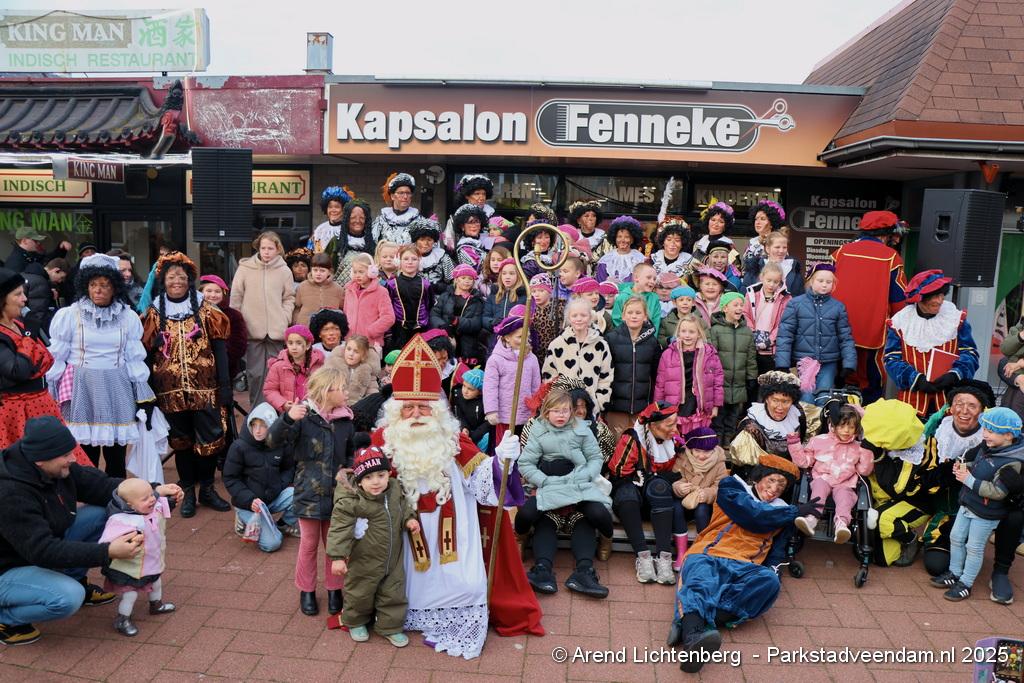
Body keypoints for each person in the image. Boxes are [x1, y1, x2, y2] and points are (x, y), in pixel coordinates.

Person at [368, 335, 543, 657]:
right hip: (403, 535)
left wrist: (502, 460)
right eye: (408, 408)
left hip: (453, 537)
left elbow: (484, 480)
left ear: (437, 410)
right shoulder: (384, 440)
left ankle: (457, 613)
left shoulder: (452, 440)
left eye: (424, 406)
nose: (417, 414)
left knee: (465, 585)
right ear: (395, 412)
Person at [0, 416, 183, 646]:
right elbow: (42, 550)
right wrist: (107, 552)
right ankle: (6, 619)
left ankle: (73, 578)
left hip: (37, 547)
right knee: (68, 597)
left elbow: (103, 487)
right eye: (65, 455)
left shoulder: (50, 464)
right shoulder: (10, 493)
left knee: (104, 513)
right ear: (40, 460)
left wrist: (153, 492)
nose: (73, 458)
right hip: (8, 567)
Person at [668, 453, 814, 674]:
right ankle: (693, 640)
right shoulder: (731, 487)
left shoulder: (783, 512)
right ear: (758, 477)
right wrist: (793, 512)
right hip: (710, 554)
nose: (775, 488)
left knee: (769, 582)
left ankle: (690, 621)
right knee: (701, 582)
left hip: (746, 565)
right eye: (771, 480)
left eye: (781, 485)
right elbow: (753, 516)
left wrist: (770, 576)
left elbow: (776, 554)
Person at [46, 254, 156, 478]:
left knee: (116, 454)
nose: (98, 290)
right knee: (85, 454)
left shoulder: (127, 317)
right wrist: (51, 392)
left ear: (114, 287)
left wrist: (143, 397)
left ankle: (116, 495)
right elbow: (57, 357)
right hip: (82, 387)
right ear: (85, 286)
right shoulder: (69, 315)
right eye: (93, 284)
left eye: (104, 285)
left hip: (117, 387)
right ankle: (87, 494)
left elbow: (134, 359)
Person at [142, 252, 232, 517]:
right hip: (169, 391)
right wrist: (149, 391)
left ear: (189, 280)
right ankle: (189, 491)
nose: (177, 282)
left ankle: (207, 488)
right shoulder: (154, 313)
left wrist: (225, 386)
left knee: (209, 441)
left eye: (181, 277)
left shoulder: (207, 309)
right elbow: (146, 355)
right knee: (181, 442)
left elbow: (220, 349)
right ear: (163, 281)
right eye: (171, 277)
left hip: (205, 389)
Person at [270, 365, 354, 617]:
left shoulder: (346, 420)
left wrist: (350, 473)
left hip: (337, 494)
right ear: (327, 391)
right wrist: (287, 418)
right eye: (342, 388)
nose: (346, 393)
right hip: (308, 491)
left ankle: (334, 589)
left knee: (335, 544)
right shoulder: (303, 417)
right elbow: (272, 441)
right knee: (308, 543)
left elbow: (350, 453)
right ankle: (306, 590)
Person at [516, 387, 612, 598]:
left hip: (578, 484)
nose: (561, 415)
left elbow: (595, 458)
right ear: (546, 411)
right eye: (556, 411)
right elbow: (526, 463)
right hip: (550, 484)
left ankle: (584, 572)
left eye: (565, 410)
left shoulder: (581, 429)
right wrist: (544, 480)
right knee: (531, 515)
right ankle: (542, 570)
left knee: (594, 515)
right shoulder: (539, 430)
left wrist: (583, 476)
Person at [328, 445, 419, 646]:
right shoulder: (352, 501)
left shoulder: (394, 490)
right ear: (360, 481)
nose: (376, 482)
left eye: (381, 475)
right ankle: (356, 621)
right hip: (364, 560)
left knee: (393, 593)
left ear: (389, 474)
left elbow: (403, 506)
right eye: (368, 478)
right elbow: (340, 528)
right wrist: (337, 557)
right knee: (359, 592)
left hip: (392, 559)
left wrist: (409, 519)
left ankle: (390, 626)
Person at [931, 407, 1024, 601]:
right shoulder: (990, 447)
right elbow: (980, 466)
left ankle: (966, 583)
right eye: (985, 430)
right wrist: (966, 466)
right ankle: (954, 573)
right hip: (968, 504)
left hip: (985, 513)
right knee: (956, 538)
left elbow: (998, 492)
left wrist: (968, 479)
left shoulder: (1011, 461)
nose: (984, 435)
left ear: (1008, 435)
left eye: (990, 431)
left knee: (974, 547)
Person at [0, 268, 89, 465]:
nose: (24, 299)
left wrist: (29, 334)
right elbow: (17, 371)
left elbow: (44, 359)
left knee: (65, 462)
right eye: (18, 294)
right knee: (27, 466)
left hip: (41, 404)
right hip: (17, 411)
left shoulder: (18, 324)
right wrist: (29, 336)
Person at [832, 210, 908, 403]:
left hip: (837, 328)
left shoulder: (841, 252)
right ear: (886, 234)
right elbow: (899, 300)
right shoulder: (891, 257)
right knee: (871, 384)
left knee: (837, 380)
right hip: (873, 331)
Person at [884, 269, 980, 418]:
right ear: (919, 298)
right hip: (911, 403)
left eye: (942, 295)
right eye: (935, 296)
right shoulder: (901, 322)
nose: (940, 301)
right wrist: (917, 380)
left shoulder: (955, 318)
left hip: (950, 402)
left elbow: (970, 353)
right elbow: (891, 359)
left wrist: (955, 375)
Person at [605, 402, 682, 585]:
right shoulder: (633, 438)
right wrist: (649, 475)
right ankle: (643, 556)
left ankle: (664, 558)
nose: (675, 429)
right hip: (630, 494)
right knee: (627, 495)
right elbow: (619, 473)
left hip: (654, 497)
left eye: (675, 423)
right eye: (670, 425)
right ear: (653, 425)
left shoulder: (671, 439)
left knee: (659, 487)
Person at [98, 478, 176, 637]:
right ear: (130, 505)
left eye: (151, 494)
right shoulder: (122, 521)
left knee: (156, 583)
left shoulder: (153, 508)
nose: (152, 499)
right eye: (145, 498)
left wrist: (172, 499)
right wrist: (125, 543)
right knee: (130, 594)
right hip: (130, 567)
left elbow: (163, 507)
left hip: (151, 561)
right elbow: (106, 542)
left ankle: (156, 605)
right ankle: (122, 619)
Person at [789, 402, 874, 543]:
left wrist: (867, 450)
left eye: (851, 427)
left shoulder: (858, 447)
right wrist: (794, 444)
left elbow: (864, 471)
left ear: (856, 428)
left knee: (845, 497)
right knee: (819, 487)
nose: (846, 431)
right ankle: (812, 519)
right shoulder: (818, 441)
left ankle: (841, 525)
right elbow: (804, 462)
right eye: (842, 426)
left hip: (845, 483)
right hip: (822, 478)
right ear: (833, 425)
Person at [775, 263, 857, 404]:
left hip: (828, 362)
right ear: (811, 281)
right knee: (806, 399)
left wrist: (849, 363)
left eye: (828, 282)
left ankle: (822, 419)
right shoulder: (795, 304)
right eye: (820, 281)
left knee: (823, 398)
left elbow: (845, 337)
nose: (824, 285)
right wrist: (783, 363)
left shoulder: (838, 307)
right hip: (803, 362)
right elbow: (785, 334)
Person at [231, 231, 296, 407]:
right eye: (263, 248)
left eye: (270, 248)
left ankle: (275, 412)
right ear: (258, 248)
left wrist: (284, 317)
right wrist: (239, 322)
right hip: (253, 331)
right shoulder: (245, 268)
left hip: (276, 331)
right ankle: (257, 412)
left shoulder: (284, 271)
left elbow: (289, 297)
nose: (266, 252)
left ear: (278, 249)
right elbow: (236, 297)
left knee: (276, 374)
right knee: (256, 374)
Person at [223, 402, 298, 552]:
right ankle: (244, 518)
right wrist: (249, 500)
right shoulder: (239, 447)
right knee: (272, 544)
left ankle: (282, 525)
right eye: (254, 425)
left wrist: (279, 484)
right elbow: (230, 478)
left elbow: (289, 468)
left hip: (272, 497)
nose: (257, 431)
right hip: (250, 504)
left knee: (303, 494)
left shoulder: (281, 443)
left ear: (272, 426)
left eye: (263, 426)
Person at [655, 314, 724, 435]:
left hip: (699, 405)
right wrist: (658, 407)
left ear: (699, 334)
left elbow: (718, 382)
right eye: (683, 331)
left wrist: (716, 406)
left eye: (691, 332)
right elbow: (660, 384)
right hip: (676, 405)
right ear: (678, 333)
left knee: (695, 438)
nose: (687, 335)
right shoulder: (668, 354)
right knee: (677, 439)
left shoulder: (709, 354)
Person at [542, 297, 613, 413]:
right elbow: (549, 376)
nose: (579, 319)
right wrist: (556, 403)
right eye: (574, 315)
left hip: (590, 409)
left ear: (590, 317)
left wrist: (599, 403)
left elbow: (606, 377)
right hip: (563, 409)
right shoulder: (557, 344)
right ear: (569, 318)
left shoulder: (601, 345)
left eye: (583, 315)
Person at [604, 296, 660, 439]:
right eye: (630, 312)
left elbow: (656, 374)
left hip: (642, 407)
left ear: (645, 316)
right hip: (616, 406)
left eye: (638, 313)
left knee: (639, 445)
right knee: (617, 444)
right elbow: (604, 372)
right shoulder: (611, 339)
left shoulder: (652, 342)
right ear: (623, 316)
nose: (634, 316)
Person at [708, 291, 758, 445]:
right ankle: (717, 439)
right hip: (720, 382)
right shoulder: (715, 330)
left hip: (739, 381)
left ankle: (729, 439)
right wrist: (711, 377)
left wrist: (751, 376)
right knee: (720, 412)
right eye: (735, 305)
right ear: (725, 308)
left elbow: (751, 357)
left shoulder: (746, 332)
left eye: (741, 305)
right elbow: (711, 356)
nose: (739, 308)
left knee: (734, 412)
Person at [730, 371, 807, 471]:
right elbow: (743, 463)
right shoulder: (750, 426)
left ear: (792, 401)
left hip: (789, 471)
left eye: (785, 401)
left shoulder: (798, 416)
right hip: (757, 473)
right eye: (775, 400)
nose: (780, 407)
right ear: (766, 399)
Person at [484, 312, 542, 443]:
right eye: (520, 337)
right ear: (507, 337)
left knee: (523, 446)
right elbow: (490, 387)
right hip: (504, 415)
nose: (524, 340)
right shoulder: (496, 360)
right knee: (505, 448)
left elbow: (536, 386)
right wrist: (491, 410)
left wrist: (536, 408)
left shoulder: (532, 359)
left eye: (527, 337)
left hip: (525, 413)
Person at [673, 427, 727, 541]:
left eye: (706, 451)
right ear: (691, 449)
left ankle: (702, 543)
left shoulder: (719, 463)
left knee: (701, 510)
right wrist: (679, 487)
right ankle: (681, 546)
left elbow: (721, 486)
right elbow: (676, 478)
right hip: (686, 500)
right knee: (676, 507)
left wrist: (707, 494)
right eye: (697, 450)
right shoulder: (683, 458)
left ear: (713, 449)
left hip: (705, 505)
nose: (701, 456)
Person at [742, 262, 792, 376]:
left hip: (772, 349)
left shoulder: (786, 298)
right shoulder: (751, 294)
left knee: (769, 378)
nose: (771, 285)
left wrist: (770, 340)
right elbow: (745, 314)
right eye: (768, 280)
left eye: (776, 282)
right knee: (753, 377)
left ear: (780, 282)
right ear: (762, 277)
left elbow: (783, 322)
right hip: (752, 344)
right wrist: (753, 334)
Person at [429, 264, 485, 365]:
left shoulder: (476, 300)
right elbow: (434, 314)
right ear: (456, 279)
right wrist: (443, 326)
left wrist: (457, 321)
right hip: (446, 336)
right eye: (463, 278)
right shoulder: (445, 296)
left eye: (470, 279)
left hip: (467, 341)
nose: (467, 281)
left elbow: (476, 323)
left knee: (462, 369)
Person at [263, 325, 325, 414]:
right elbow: (269, 390)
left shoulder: (318, 366)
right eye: (290, 343)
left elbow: (324, 389)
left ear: (308, 345)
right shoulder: (278, 366)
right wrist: (283, 403)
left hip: (312, 413)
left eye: (298, 343)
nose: (294, 347)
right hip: (289, 414)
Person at [197, 275, 248, 384]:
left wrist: (222, 359)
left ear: (223, 294)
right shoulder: (192, 313)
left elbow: (239, 344)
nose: (213, 295)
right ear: (201, 292)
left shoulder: (234, 315)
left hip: (225, 368)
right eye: (209, 291)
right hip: (196, 369)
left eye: (217, 291)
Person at [343, 253, 395, 358]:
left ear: (372, 271)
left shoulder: (381, 292)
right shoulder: (349, 290)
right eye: (355, 272)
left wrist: (371, 331)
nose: (357, 275)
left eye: (361, 272)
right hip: (350, 343)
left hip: (370, 344)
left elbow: (389, 317)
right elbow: (345, 313)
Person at [384, 245, 431, 353]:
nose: (410, 262)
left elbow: (429, 304)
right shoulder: (392, 284)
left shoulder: (425, 284)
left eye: (414, 259)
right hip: (398, 330)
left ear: (419, 262)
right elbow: (388, 308)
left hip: (421, 329)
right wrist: (388, 332)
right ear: (399, 261)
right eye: (406, 259)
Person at [481, 257, 527, 351]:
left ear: (518, 275)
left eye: (511, 273)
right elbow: (485, 317)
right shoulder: (494, 294)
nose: (507, 277)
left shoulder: (524, 296)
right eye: (504, 273)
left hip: (515, 341)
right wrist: (493, 322)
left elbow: (526, 321)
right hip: (495, 339)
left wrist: (510, 325)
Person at [443, 174, 496, 250]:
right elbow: (449, 245)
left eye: (484, 194)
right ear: (467, 196)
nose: (481, 198)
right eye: (477, 194)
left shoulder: (492, 214)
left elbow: (508, 229)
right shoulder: (455, 218)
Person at [293, 253, 345, 328]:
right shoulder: (302, 286)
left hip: (328, 330)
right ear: (311, 270)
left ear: (329, 271)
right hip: (305, 328)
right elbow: (296, 308)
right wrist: (296, 323)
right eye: (315, 270)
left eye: (322, 271)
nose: (318, 274)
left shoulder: (338, 289)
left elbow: (342, 309)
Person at [333, 198, 375, 288]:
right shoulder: (336, 241)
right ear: (346, 219)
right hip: (341, 292)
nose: (357, 221)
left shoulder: (372, 244)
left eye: (362, 218)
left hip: (366, 292)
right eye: (353, 218)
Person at [610, 262, 662, 331]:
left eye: (654, 279)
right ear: (636, 278)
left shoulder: (654, 298)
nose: (652, 281)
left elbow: (656, 322)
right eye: (648, 277)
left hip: (648, 336)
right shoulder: (622, 297)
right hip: (625, 335)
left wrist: (651, 337)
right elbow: (617, 319)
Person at [741, 199, 786, 277]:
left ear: (772, 223)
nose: (757, 222)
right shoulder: (752, 241)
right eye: (756, 219)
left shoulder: (778, 242)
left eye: (763, 219)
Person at [372, 173, 420, 244]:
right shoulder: (381, 221)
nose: (405, 197)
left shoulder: (419, 221)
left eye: (408, 193)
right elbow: (372, 244)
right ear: (392, 196)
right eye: (401, 193)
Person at [410, 216, 454, 294]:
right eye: (422, 239)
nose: (425, 243)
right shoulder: (408, 256)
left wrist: (440, 287)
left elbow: (452, 281)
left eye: (429, 240)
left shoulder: (442, 257)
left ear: (434, 241)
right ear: (416, 240)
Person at [595, 216, 646, 283]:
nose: (622, 240)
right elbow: (600, 283)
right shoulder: (606, 260)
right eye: (619, 237)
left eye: (627, 237)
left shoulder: (640, 259)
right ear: (615, 238)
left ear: (632, 240)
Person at [328, 334, 376, 403]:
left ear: (363, 355)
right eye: (348, 349)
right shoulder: (332, 366)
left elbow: (372, 395)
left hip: (356, 406)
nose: (351, 354)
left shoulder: (367, 371)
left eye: (356, 351)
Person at [308, 185, 354, 258]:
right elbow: (310, 253)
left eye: (337, 207)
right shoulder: (319, 230)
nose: (333, 210)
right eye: (330, 207)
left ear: (344, 209)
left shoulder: (351, 229)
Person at [5, 226, 71, 274]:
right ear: (24, 241)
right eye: (35, 240)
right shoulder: (15, 261)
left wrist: (61, 249)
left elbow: (48, 260)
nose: (38, 243)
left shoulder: (30, 255)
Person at [453, 368, 490, 450]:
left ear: (480, 391)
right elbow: (459, 414)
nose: (465, 391)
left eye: (470, 389)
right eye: (464, 386)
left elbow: (487, 424)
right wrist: (464, 428)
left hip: (479, 434)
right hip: (464, 431)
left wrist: (473, 437)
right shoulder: (458, 395)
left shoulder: (485, 402)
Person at [650, 218, 693, 283]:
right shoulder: (652, 259)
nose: (672, 244)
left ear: (682, 243)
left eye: (677, 240)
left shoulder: (690, 261)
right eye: (669, 239)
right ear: (663, 242)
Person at [451, 203, 490, 271]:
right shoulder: (464, 248)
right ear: (462, 226)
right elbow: (478, 269)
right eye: (470, 222)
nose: (474, 225)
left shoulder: (482, 242)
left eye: (477, 221)